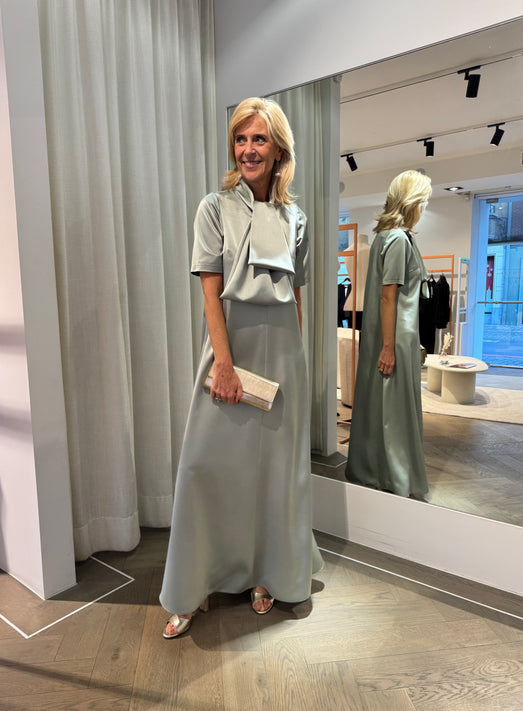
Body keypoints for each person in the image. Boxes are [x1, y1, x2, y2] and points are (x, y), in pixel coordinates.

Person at [159, 97, 323, 638]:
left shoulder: (296, 218)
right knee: (203, 468)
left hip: (284, 355)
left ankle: (266, 573)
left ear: (278, 150)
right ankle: (190, 586)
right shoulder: (213, 208)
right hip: (230, 351)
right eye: (240, 139)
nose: (248, 149)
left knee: (275, 476)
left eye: (259, 139)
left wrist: (298, 362)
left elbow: (296, 296)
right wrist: (224, 365)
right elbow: (211, 294)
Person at [344, 170, 431, 499]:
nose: (424, 206)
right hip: (395, 335)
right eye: (423, 200)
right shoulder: (396, 239)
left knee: (383, 404)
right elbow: (387, 296)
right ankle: (394, 475)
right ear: (413, 201)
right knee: (394, 407)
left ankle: (376, 470)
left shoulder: (388, 236)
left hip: (390, 333)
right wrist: (389, 346)